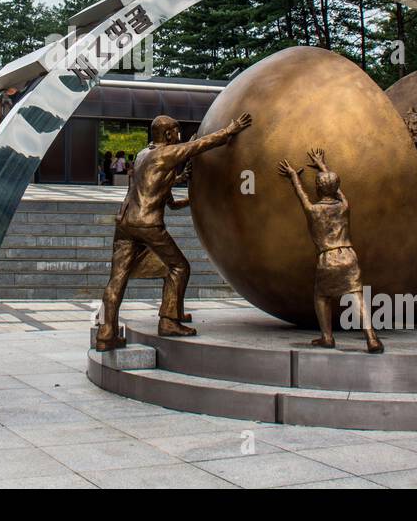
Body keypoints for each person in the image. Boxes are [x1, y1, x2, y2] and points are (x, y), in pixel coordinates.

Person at [95, 112, 253, 350]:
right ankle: (169, 321)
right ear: (168, 134)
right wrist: (230, 130)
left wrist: (182, 180)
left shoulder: (142, 155)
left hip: (125, 223)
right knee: (179, 267)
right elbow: (199, 145)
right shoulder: (167, 153)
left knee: (117, 279)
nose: (178, 136)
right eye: (176, 132)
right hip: (147, 224)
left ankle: (107, 333)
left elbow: (161, 193)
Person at [278, 148, 383, 353]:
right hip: (349, 255)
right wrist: (323, 166)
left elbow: (301, 195)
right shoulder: (344, 206)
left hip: (327, 257)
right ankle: (371, 338)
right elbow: (339, 191)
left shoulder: (313, 211)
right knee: (357, 296)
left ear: (317, 189)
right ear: (336, 188)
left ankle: (327, 337)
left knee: (322, 296)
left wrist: (293, 176)